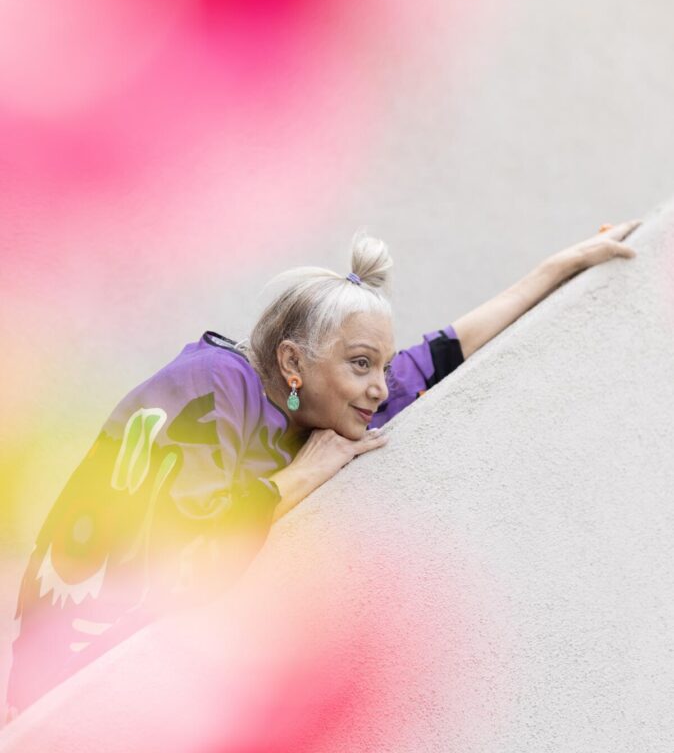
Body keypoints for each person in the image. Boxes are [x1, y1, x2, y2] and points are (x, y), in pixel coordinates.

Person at [4, 219, 641, 717]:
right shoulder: (213, 385)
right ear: (292, 363)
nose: (377, 388)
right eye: (361, 364)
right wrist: (301, 478)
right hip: (69, 668)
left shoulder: (313, 411)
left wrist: (560, 269)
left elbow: (445, 353)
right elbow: (192, 539)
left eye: (382, 369)